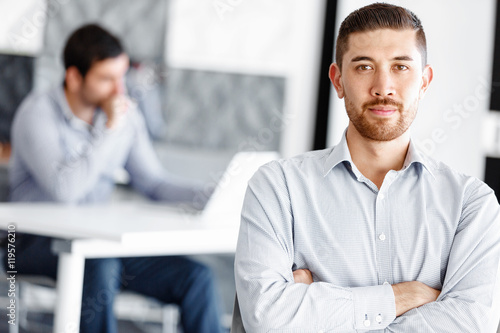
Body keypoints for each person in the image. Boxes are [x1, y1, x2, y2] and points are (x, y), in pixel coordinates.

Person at [234, 3, 500, 332]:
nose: (382, 87)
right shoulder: (277, 188)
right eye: (363, 67)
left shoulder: (470, 204)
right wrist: (401, 297)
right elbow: (267, 319)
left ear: (424, 81)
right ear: (338, 80)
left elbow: (471, 324)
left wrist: (313, 310)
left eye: (401, 67)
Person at [6, 24, 223, 333]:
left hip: (98, 242)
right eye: (107, 79)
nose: (118, 90)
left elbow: (153, 183)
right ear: (74, 77)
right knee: (99, 265)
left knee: (196, 277)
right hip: (29, 242)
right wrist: (109, 128)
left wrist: (214, 194)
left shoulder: (124, 117)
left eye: (121, 76)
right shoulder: (37, 113)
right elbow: (65, 189)